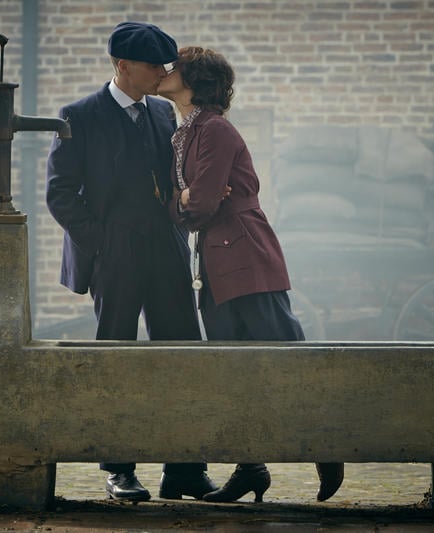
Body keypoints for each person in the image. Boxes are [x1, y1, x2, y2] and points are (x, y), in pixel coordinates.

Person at [156, 46, 345, 503]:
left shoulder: (215, 130)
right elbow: (192, 201)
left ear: (194, 78)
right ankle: (251, 468)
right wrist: (186, 199)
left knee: (285, 356)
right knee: (234, 370)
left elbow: (197, 205)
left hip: (248, 258)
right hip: (216, 263)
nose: (164, 72)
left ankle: (328, 447)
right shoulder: (185, 132)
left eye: (174, 66)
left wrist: (185, 200)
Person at [45, 22, 216, 502]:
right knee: (114, 355)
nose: (163, 72)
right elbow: (59, 192)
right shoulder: (79, 114)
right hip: (112, 252)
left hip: (165, 247)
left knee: (181, 353)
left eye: (166, 64)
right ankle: (119, 468)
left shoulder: (164, 112)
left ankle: (184, 468)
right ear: (122, 66)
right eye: (152, 65)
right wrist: (99, 244)